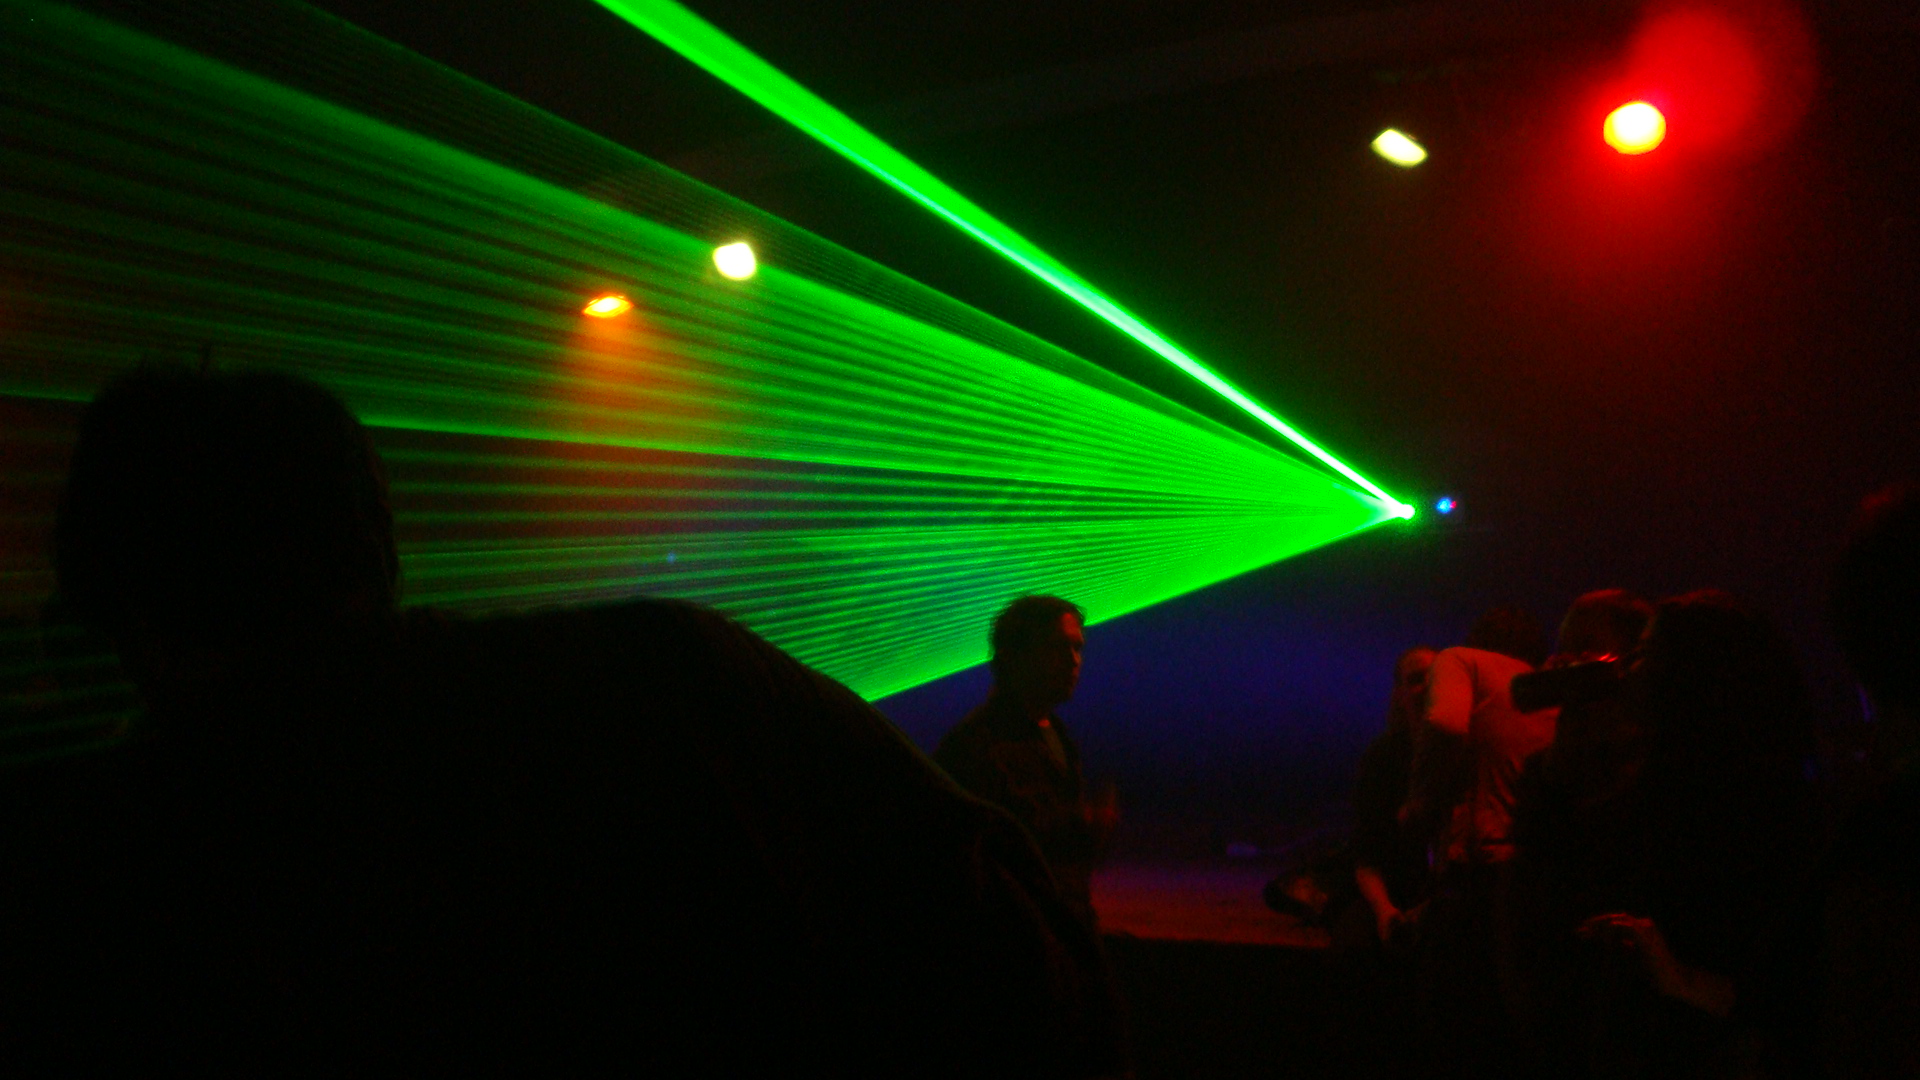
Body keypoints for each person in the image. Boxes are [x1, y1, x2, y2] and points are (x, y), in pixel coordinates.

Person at [0, 367, 1127, 1075]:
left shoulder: (84, 879)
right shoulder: (675, 681)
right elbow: (1035, 982)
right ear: (380, 551)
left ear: (88, 626)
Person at [1405, 605, 1553, 1080]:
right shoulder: (1545, 686)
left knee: (1449, 1020)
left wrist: (1421, 799)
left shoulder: (1461, 659)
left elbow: (1446, 723)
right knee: (1512, 1023)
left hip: (1476, 869)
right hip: (1533, 867)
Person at [935, 596, 1114, 929]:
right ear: (1016, 655)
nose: (1073, 660)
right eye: (1057, 648)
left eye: (1077, 648)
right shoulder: (976, 747)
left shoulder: (1057, 736)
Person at [1351, 645, 1439, 947]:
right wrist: (1384, 910)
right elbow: (1367, 855)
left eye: (1434, 677)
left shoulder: (1467, 750)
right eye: (1415, 679)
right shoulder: (1382, 757)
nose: (1426, 686)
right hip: (1395, 889)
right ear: (1399, 694)